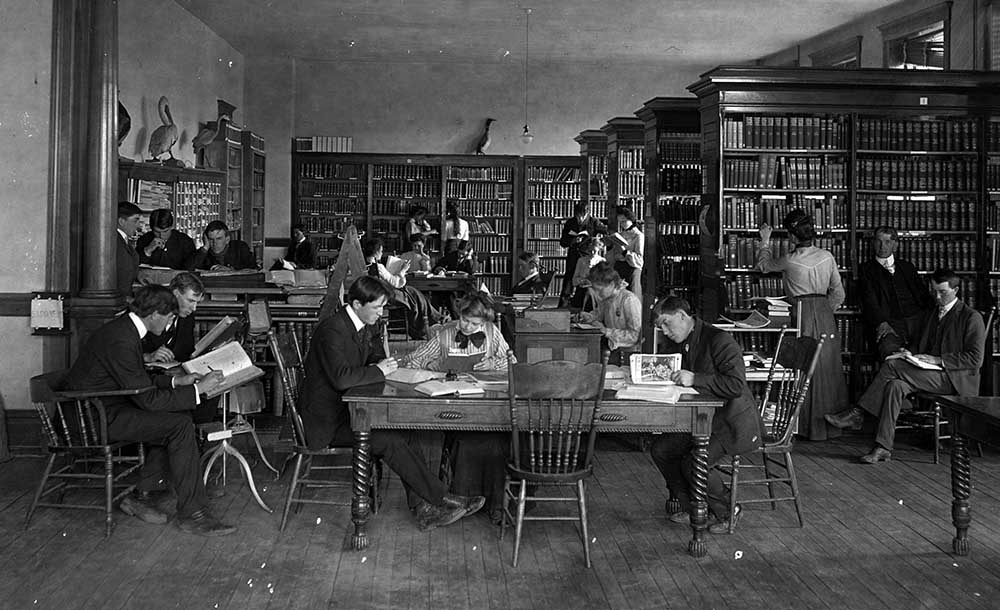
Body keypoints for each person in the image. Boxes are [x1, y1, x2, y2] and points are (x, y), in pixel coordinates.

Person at [297, 276, 485, 530]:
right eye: (376, 307)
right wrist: (379, 370)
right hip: (326, 421)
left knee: (402, 430)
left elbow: (375, 357)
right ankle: (443, 499)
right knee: (389, 440)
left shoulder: (365, 323)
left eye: (383, 306)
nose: (381, 312)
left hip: (349, 409)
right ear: (356, 304)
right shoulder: (332, 330)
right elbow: (342, 378)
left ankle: (426, 507)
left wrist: (385, 365)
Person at [63, 285, 233, 535]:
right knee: (179, 424)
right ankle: (192, 514)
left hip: (107, 406)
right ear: (154, 314)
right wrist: (197, 391)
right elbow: (147, 399)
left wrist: (177, 381)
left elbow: (137, 380)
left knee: (176, 420)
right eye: (170, 317)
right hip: (96, 419)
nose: (170, 322)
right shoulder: (122, 338)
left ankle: (142, 495)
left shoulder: (124, 329)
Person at [826, 269, 985, 463]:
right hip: (929, 375)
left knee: (893, 366)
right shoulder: (932, 314)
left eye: (942, 292)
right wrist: (910, 354)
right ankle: (883, 447)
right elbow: (920, 343)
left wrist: (938, 360)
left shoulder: (971, 317)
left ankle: (859, 412)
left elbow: (975, 359)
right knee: (894, 386)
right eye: (934, 291)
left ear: (956, 290)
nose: (936, 296)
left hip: (954, 379)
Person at [648, 296, 761, 534]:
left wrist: (695, 378)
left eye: (667, 324)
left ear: (682, 315)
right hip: (702, 420)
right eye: (661, 327)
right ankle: (695, 507)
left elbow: (736, 385)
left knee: (693, 462)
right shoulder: (681, 341)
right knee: (661, 450)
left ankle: (728, 510)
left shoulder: (719, 339)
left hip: (730, 423)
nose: (665, 332)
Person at [402, 292, 513, 524]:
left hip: (486, 407)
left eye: (475, 324)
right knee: (467, 441)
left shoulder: (493, 333)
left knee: (498, 442)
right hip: (455, 408)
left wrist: (495, 362)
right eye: (464, 320)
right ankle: (463, 499)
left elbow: (512, 363)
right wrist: (434, 369)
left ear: (485, 323)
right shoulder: (445, 336)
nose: (468, 327)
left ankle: (497, 504)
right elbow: (412, 361)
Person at [757, 209, 848, 441]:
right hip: (825, 313)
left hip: (801, 313)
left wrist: (765, 241)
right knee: (826, 370)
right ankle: (827, 428)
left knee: (798, 368)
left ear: (793, 237)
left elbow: (764, 266)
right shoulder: (828, 256)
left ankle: (800, 426)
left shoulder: (790, 259)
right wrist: (825, 311)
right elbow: (838, 293)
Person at [858, 226, 933, 359]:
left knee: (927, 352)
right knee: (891, 354)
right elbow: (869, 301)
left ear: (895, 245)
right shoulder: (866, 270)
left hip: (917, 322)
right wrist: (881, 323)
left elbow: (923, 296)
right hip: (889, 324)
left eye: (887, 242)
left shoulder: (907, 267)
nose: (882, 246)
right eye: (879, 241)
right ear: (873, 243)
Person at [362, 236, 443, 339]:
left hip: (380, 293)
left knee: (415, 294)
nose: (382, 253)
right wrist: (403, 270)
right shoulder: (378, 267)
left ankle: (433, 319)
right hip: (387, 295)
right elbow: (395, 283)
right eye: (381, 251)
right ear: (376, 252)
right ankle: (434, 319)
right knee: (414, 294)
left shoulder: (365, 265)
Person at [575, 262, 642, 365]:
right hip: (611, 349)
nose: (596, 294)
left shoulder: (628, 300)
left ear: (611, 284)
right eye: (594, 290)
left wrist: (607, 331)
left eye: (599, 290)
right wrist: (589, 317)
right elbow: (598, 315)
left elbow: (635, 336)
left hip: (627, 355)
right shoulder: (606, 299)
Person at [559, 202, 608, 305]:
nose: (580, 218)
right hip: (573, 254)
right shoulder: (570, 223)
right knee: (568, 280)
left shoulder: (594, 222)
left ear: (587, 213)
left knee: (586, 279)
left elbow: (606, 231)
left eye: (583, 216)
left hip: (587, 255)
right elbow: (563, 242)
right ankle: (563, 306)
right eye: (578, 216)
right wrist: (573, 240)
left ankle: (583, 304)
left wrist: (594, 239)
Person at [187, 220, 257, 271]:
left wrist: (231, 270)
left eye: (219, 239)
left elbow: (253, 270)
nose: (215, 243)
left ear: (227, 239)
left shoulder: (239, 249)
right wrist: (205, 247)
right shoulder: (203, 254)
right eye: (211, 239)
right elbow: (189, 271)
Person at [606, 205, 644, 296]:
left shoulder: (638, 235)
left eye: (624, 221)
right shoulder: (620, 235)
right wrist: (610, 246)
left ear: (631, 219)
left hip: (631, 269)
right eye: (620, 222)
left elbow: (639, 259)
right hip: (619, 267)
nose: (622, 224)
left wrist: (625, 252)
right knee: (616, 295)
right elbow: (613, 256)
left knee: (631, 296)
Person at [569, 236, 606, 309]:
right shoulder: (581, 261)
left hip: (596, 291)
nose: (592, 253)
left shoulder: (602, 261)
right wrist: (582, 281)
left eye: (594, 251)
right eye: (590, 251)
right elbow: (574, 280)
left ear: (599, 249)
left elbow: (604, 280)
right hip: (582, 290)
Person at [116, 201, 142, 299]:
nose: (138, 225)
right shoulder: (115, 241)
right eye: (135, 220)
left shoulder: (124, 240)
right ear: (121, 221)